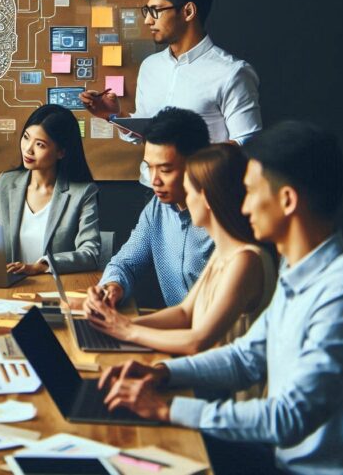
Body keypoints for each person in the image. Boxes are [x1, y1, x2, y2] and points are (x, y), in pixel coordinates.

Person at [99, 122, 343, 474]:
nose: (241, 207)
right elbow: (245, 359)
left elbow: (287, 417)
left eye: (249, 192)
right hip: (281, 460)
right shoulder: (297, 272)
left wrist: (167, 409)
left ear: (287, 200)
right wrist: (161, 373)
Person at [85, 144, 276, 363]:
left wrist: (126, 329)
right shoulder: (225, 251)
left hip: (226, 386)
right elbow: (184, 314)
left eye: (188, 189)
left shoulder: (245, 260)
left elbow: (197, 341)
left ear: (206, 198)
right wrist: (111, 323)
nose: (182, 204)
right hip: (199, 367)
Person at [80, 0, 261, 146]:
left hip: (195, 175)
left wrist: (190, 158)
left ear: (188, 11)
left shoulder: (231, 72)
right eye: (147, 11)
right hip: (149, 176)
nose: (147, 20)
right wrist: (114, 115)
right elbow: (146, 134)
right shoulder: (150, 66)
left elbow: (247, 141)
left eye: (156, 11)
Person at [92, 107, 214, 307]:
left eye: (165, 170)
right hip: (173, 330)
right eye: (149, 167)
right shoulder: (157, 208)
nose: (154, 180)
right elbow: (127, 263)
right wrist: (112, 286)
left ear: (197, 162)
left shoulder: (224, 218)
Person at [0, 104, 100, 275]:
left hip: (55, 290)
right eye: (26, 137)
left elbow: (90, 254)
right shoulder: (5, 183)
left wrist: (43, 266)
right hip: (8, 288)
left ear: (61, 152)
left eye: (40, 144)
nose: (28, 149)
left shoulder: (82, 193)